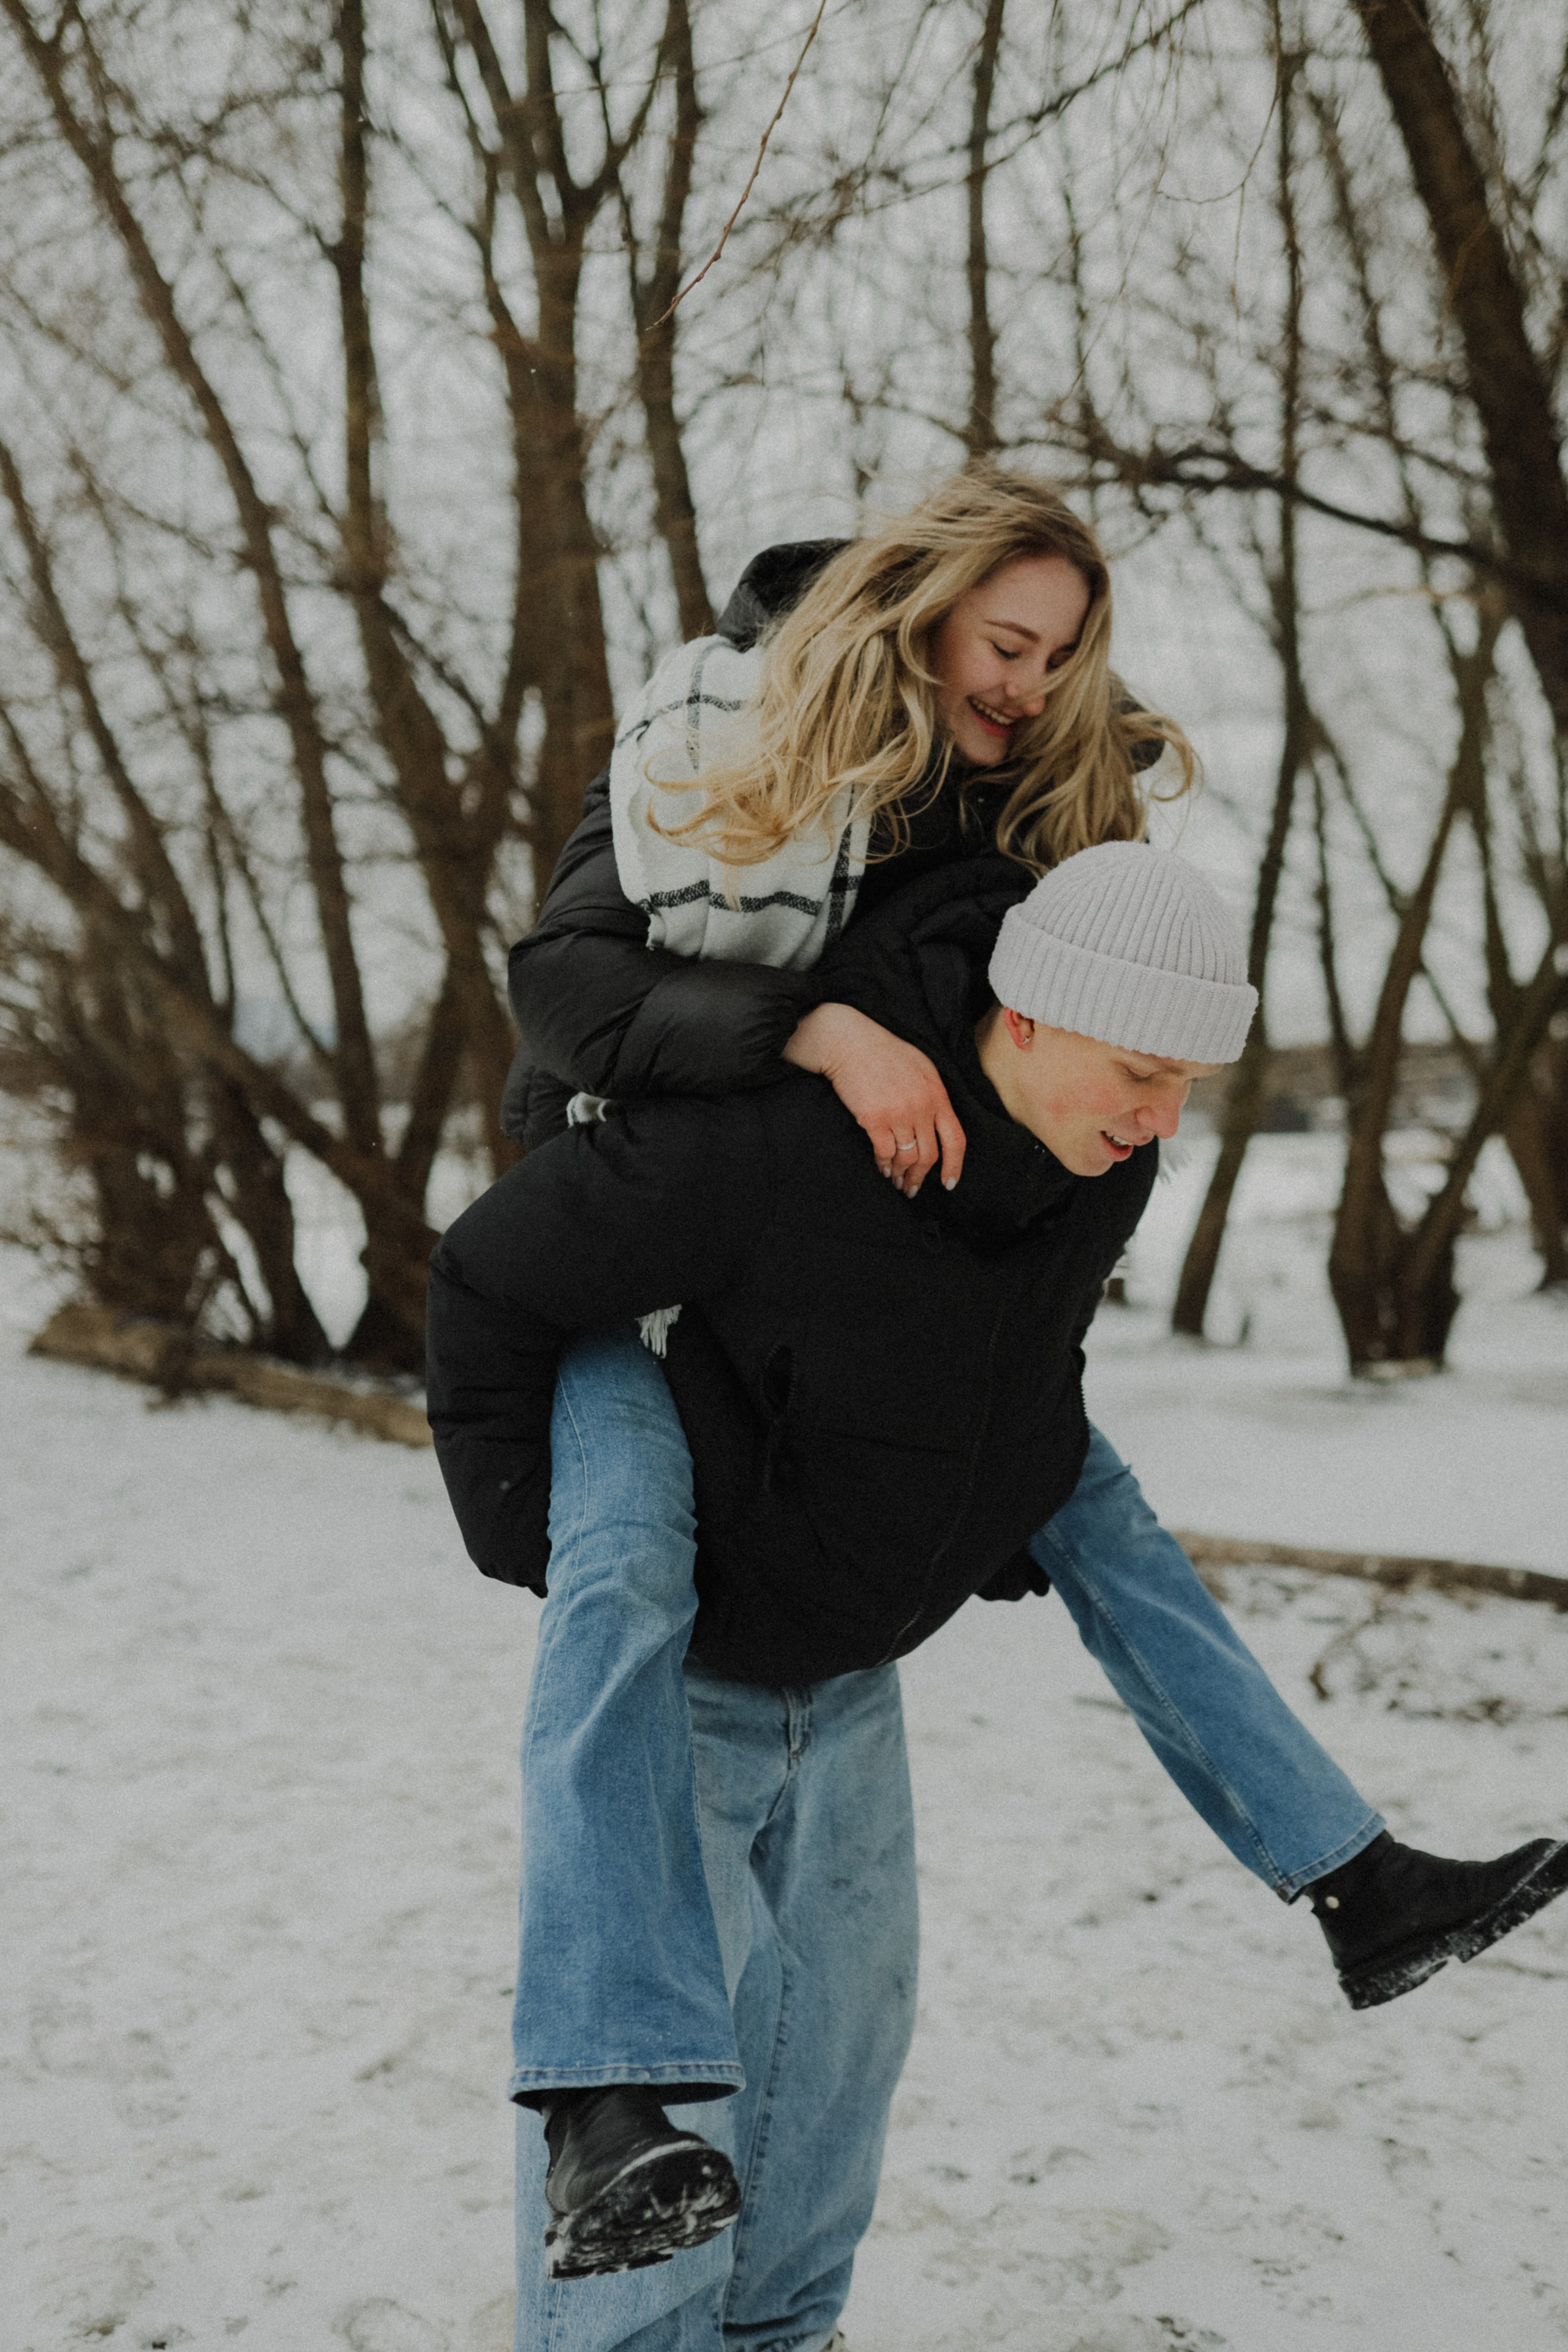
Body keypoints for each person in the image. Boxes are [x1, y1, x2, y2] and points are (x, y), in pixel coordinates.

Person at [430, 845, 1568, 2352]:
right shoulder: (770, 1142)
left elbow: (1016, 1369)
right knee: (661, 2130)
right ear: (1024, 1019)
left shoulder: (1097, 1168)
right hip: (686, 1686)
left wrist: (980, 1508)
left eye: (1189, 1088)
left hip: (849, 1690)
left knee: (832, 2086)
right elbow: (489, 1280)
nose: (1163, 1120)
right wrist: (543, 1533)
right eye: (1141, 1072)